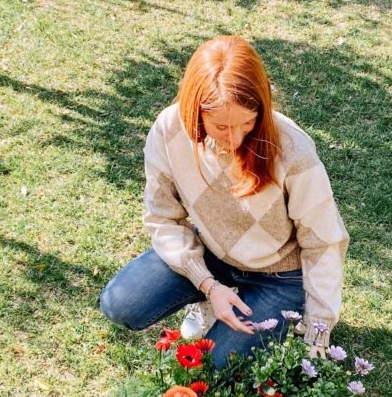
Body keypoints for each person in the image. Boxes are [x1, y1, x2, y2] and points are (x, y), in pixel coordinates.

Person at [99, 35, 349, 369]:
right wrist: (208, 283)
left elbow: (324, 242)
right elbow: (163, 218)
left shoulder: (293, 150)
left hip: (279, 274)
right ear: (194, 110)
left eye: (249, 122)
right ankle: (209, 298)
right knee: (120, 305)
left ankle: (277, 307)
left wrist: (318, 331)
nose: (236, 138)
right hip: (213, 253)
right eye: (220, 126)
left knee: (214, 367)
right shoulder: (169, 131)